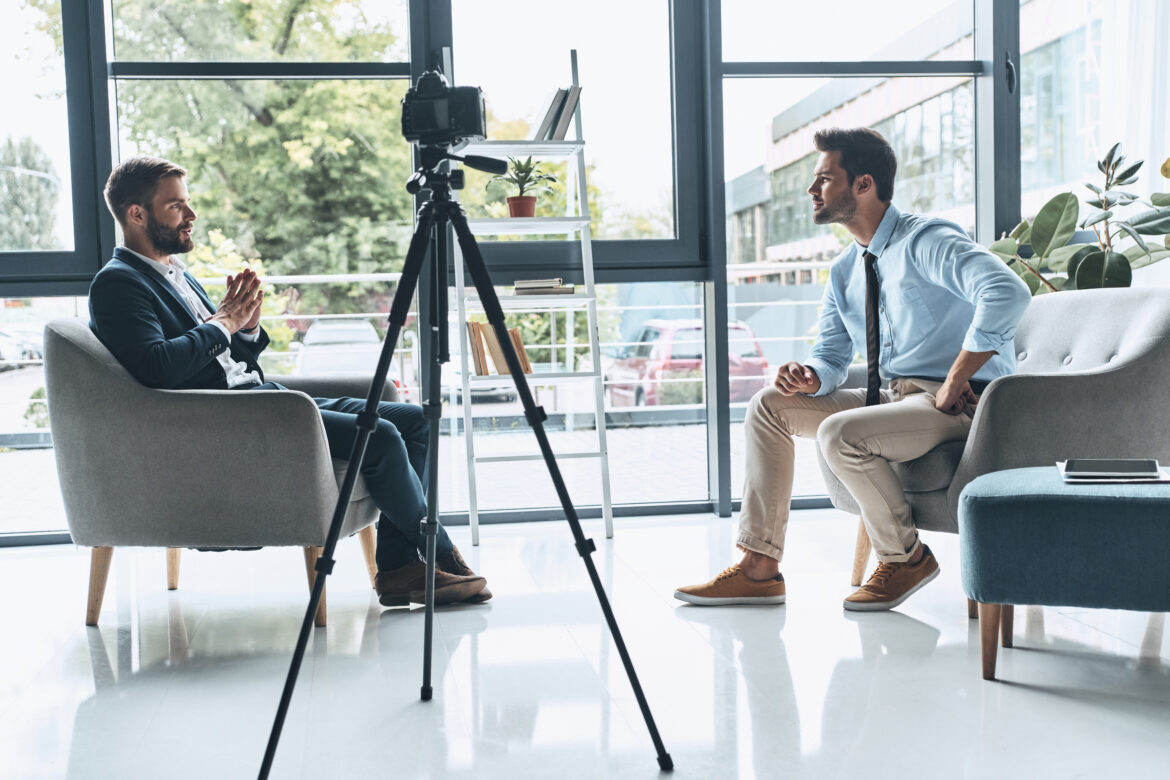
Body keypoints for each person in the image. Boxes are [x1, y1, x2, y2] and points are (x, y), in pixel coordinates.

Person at [89, 156, 491, 607]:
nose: (191, 216)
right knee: (379, 435)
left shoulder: (176, 275)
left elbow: (220, 357)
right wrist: (222, 323)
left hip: (264, 400)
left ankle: (398, 569)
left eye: (188, 204)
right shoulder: (118, 284)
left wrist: (244, 330)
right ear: (136, 214)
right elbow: (157, 367)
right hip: (233, 422)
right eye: (176, 206)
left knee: (416, 420)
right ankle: (440, 556)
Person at [676, 127, 1031, 611]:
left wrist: (956, 378)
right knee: (768, 405)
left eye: (823, 178)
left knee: (842, 433)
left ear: (863, 185)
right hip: (893, 397)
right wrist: (810, 376)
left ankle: (905, 558)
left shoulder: (927, 239)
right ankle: (759, 570)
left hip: (963, 403)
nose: (811, 190)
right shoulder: (846, 268)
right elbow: (832, 354)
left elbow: (1007, 292)